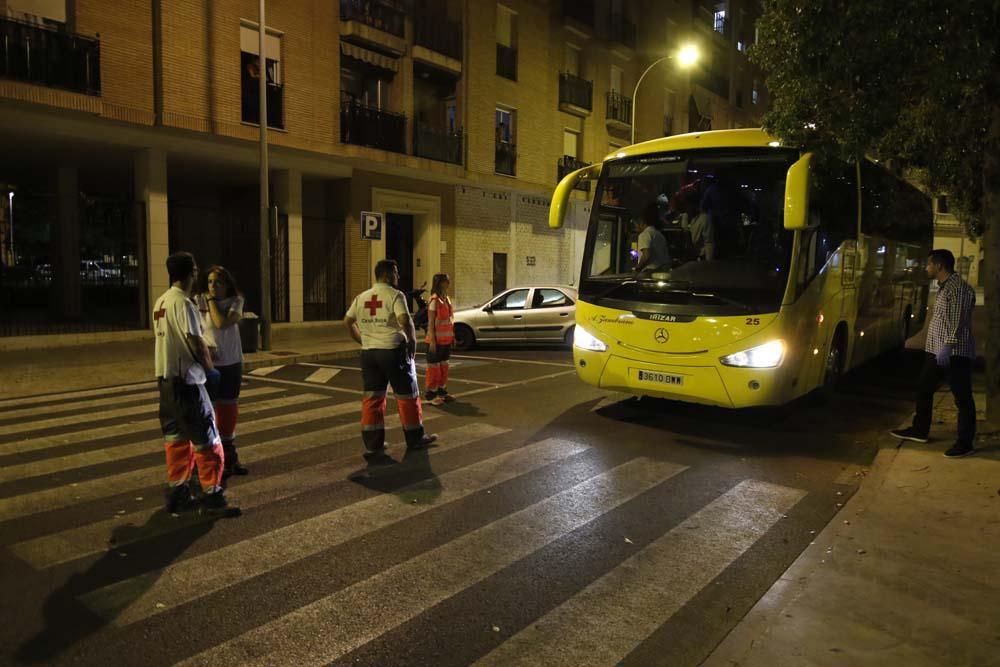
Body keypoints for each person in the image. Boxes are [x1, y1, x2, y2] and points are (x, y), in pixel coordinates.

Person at [154, 251, 239, 515]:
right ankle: (212, 496)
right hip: (188, 382)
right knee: (208, 440)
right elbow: (195, 341)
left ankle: (178, 492)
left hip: (166, 381)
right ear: (191, 271)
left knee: (176, 440)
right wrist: (210, 370)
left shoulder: (161, 302)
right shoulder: (184, 303)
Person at [345, 259, 438, 466]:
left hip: (369, 354)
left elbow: (348, 321)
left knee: (373, 398)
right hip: (393, 352)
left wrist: (362, 339)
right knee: (407, 396)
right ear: (387, 275)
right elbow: (405, 321)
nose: (398, 276)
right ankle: (415, 438)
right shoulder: (395, 295)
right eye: (396, 273)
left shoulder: (362, 297)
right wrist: (413, 342)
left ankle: (373, 446)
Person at [891, 249, 978, 458]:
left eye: (929, 264)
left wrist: (948, 346)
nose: (926, 267)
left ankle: (965, 442)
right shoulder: (944, 287)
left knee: (962, 397)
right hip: (936, 351)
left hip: (955, 352)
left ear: (939, 266)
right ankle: (919, 430)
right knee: (923, 388)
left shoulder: (957, 288)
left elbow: (957, 321)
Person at [196, 265, 249, 479]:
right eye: (209, 282)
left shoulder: (236, 301)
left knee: (228, 409)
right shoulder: (198, 301)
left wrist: (210, 302)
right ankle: (210, 460)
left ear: (227, 284)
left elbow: (220, 322)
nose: (212, 286)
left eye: (217, 282)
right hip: (210, 364)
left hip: (232, 362)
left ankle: (229, 456)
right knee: (209, 410)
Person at [424, 273, 456, 406]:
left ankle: (442, 391)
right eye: (446, 281)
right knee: (434, 369)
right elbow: (431, 323)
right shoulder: (434, 301)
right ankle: (431, 394)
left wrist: (452, 336)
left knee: (444, 367)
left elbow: (449, 320)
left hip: (446, 341)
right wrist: (432, 341)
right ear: (440, 283)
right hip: (436, 341)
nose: (448, 283)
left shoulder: (446, 299)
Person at [633, 202, 670, 273]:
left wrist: (637, 268)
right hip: (662, 272)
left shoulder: (644, 234)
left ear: (642, 222)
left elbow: (646, 255)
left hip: (649, 272)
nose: (635, 227)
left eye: (636, 224)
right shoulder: (659, 234)